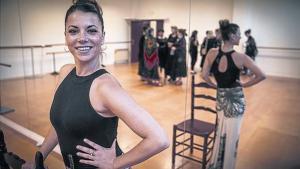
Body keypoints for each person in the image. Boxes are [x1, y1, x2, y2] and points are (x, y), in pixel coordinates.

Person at [22, 0, 169, 168]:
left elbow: (159, 139)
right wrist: (39, 155)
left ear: (102, 37)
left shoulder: (105, 87)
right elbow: (60, 125)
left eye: (91, 30)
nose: (82, 38)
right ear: (66, 36)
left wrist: (115, 163)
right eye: (73, 31)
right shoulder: (64, 73)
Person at [201, 19, 266, 169]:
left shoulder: (212, 53)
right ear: (231, 36)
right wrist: (245, 84)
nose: (240, 37)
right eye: (238, 34)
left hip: (221, 98)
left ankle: (217, 164)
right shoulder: (241, 57)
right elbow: (262, 75)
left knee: (220, 133)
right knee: (232, 137)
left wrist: (216, 86)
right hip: (236, 99)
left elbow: (204, 75)